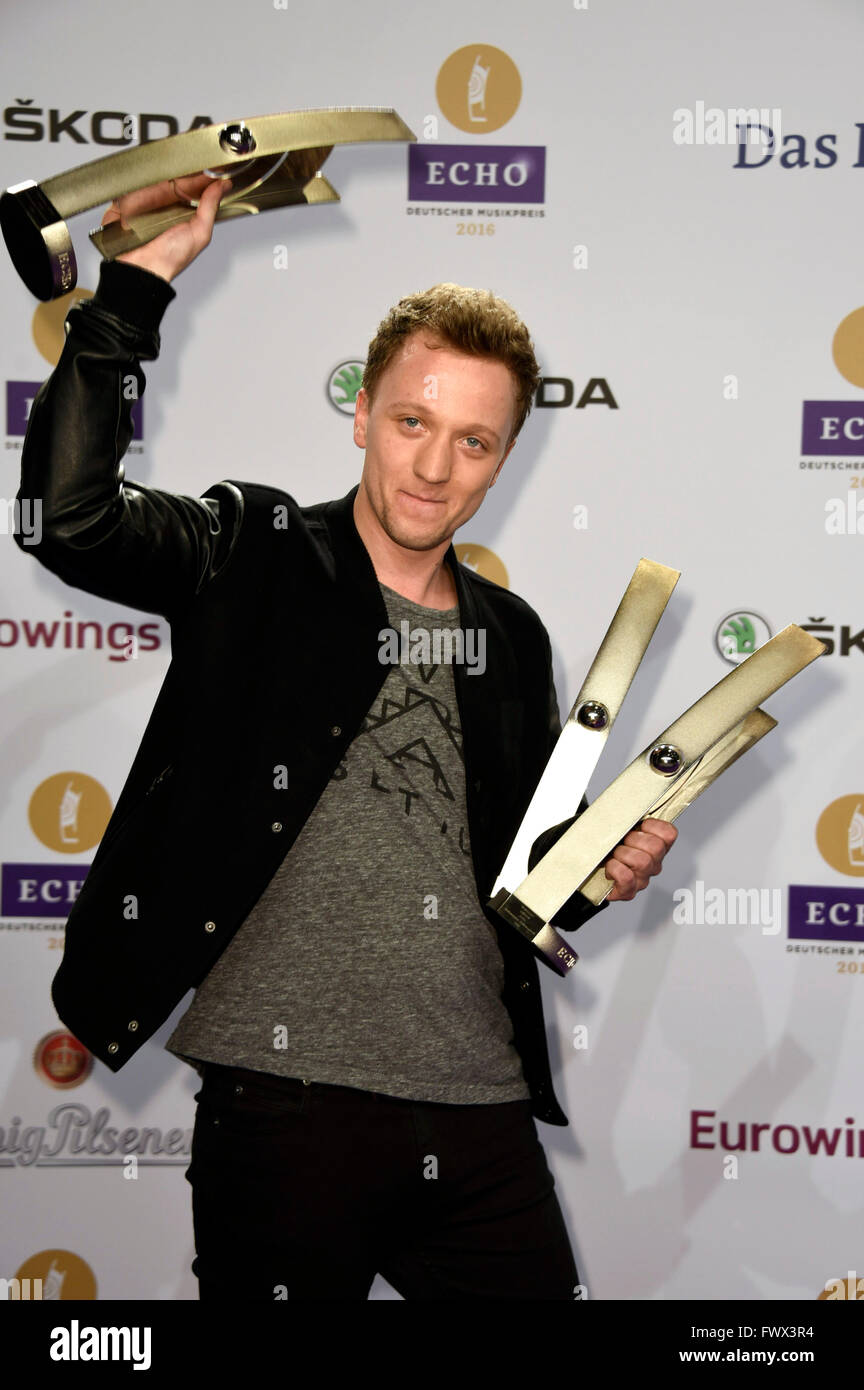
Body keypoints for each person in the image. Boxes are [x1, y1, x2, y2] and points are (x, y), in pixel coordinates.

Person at [15, 176, 677, 1300]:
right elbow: (69, 521)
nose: (433, 467)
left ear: (504, 457)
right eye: (413, 422)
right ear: (362, 411)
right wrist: (133, 289)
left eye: (473, 441)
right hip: (282, 1107)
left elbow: (519, 883)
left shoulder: (510, 636)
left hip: (479, 1103)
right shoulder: (258, 551)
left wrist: (595, 875)